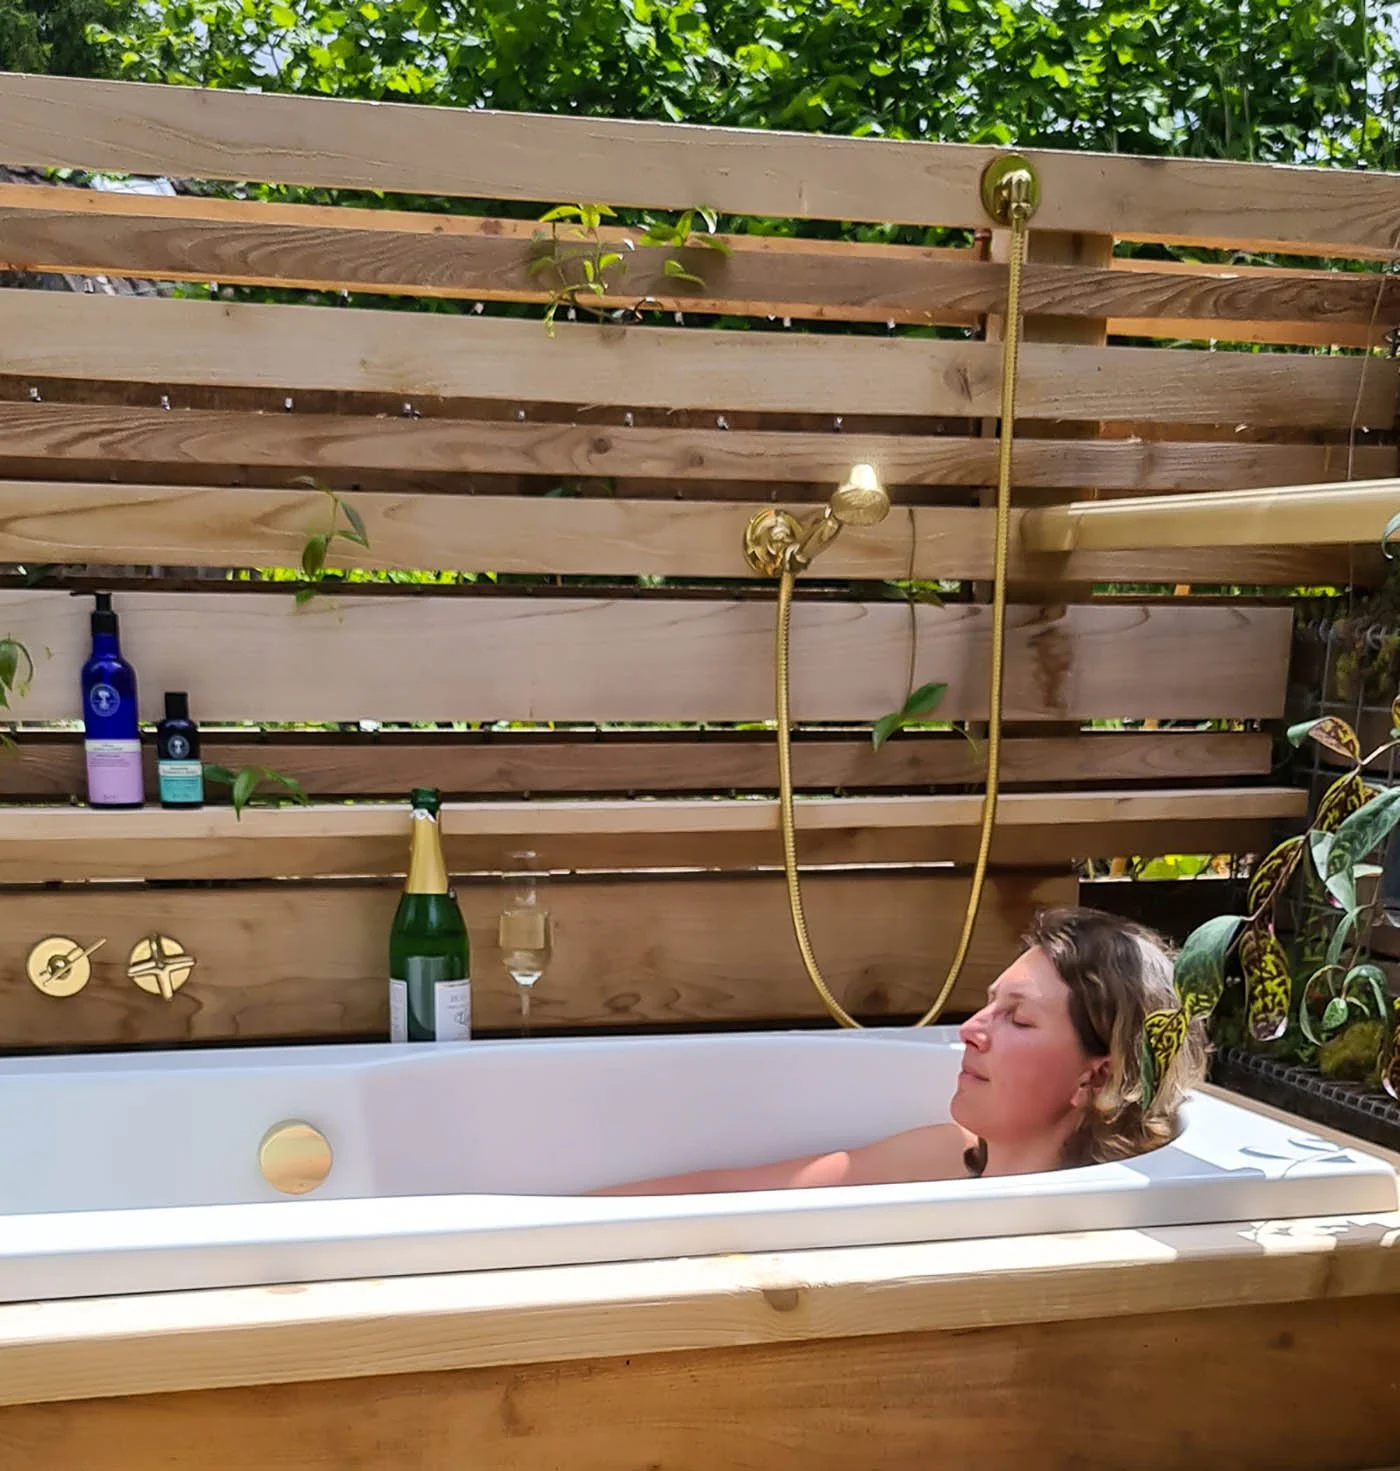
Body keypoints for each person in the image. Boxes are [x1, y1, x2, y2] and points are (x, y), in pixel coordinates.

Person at [594, 906, 1207, 1195]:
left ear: (1094, 1078)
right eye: (988, 1004)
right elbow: (738, 1191)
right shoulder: (942, 1155)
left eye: (1016, 1018)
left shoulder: (1105, 1219)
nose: (971, 1028)